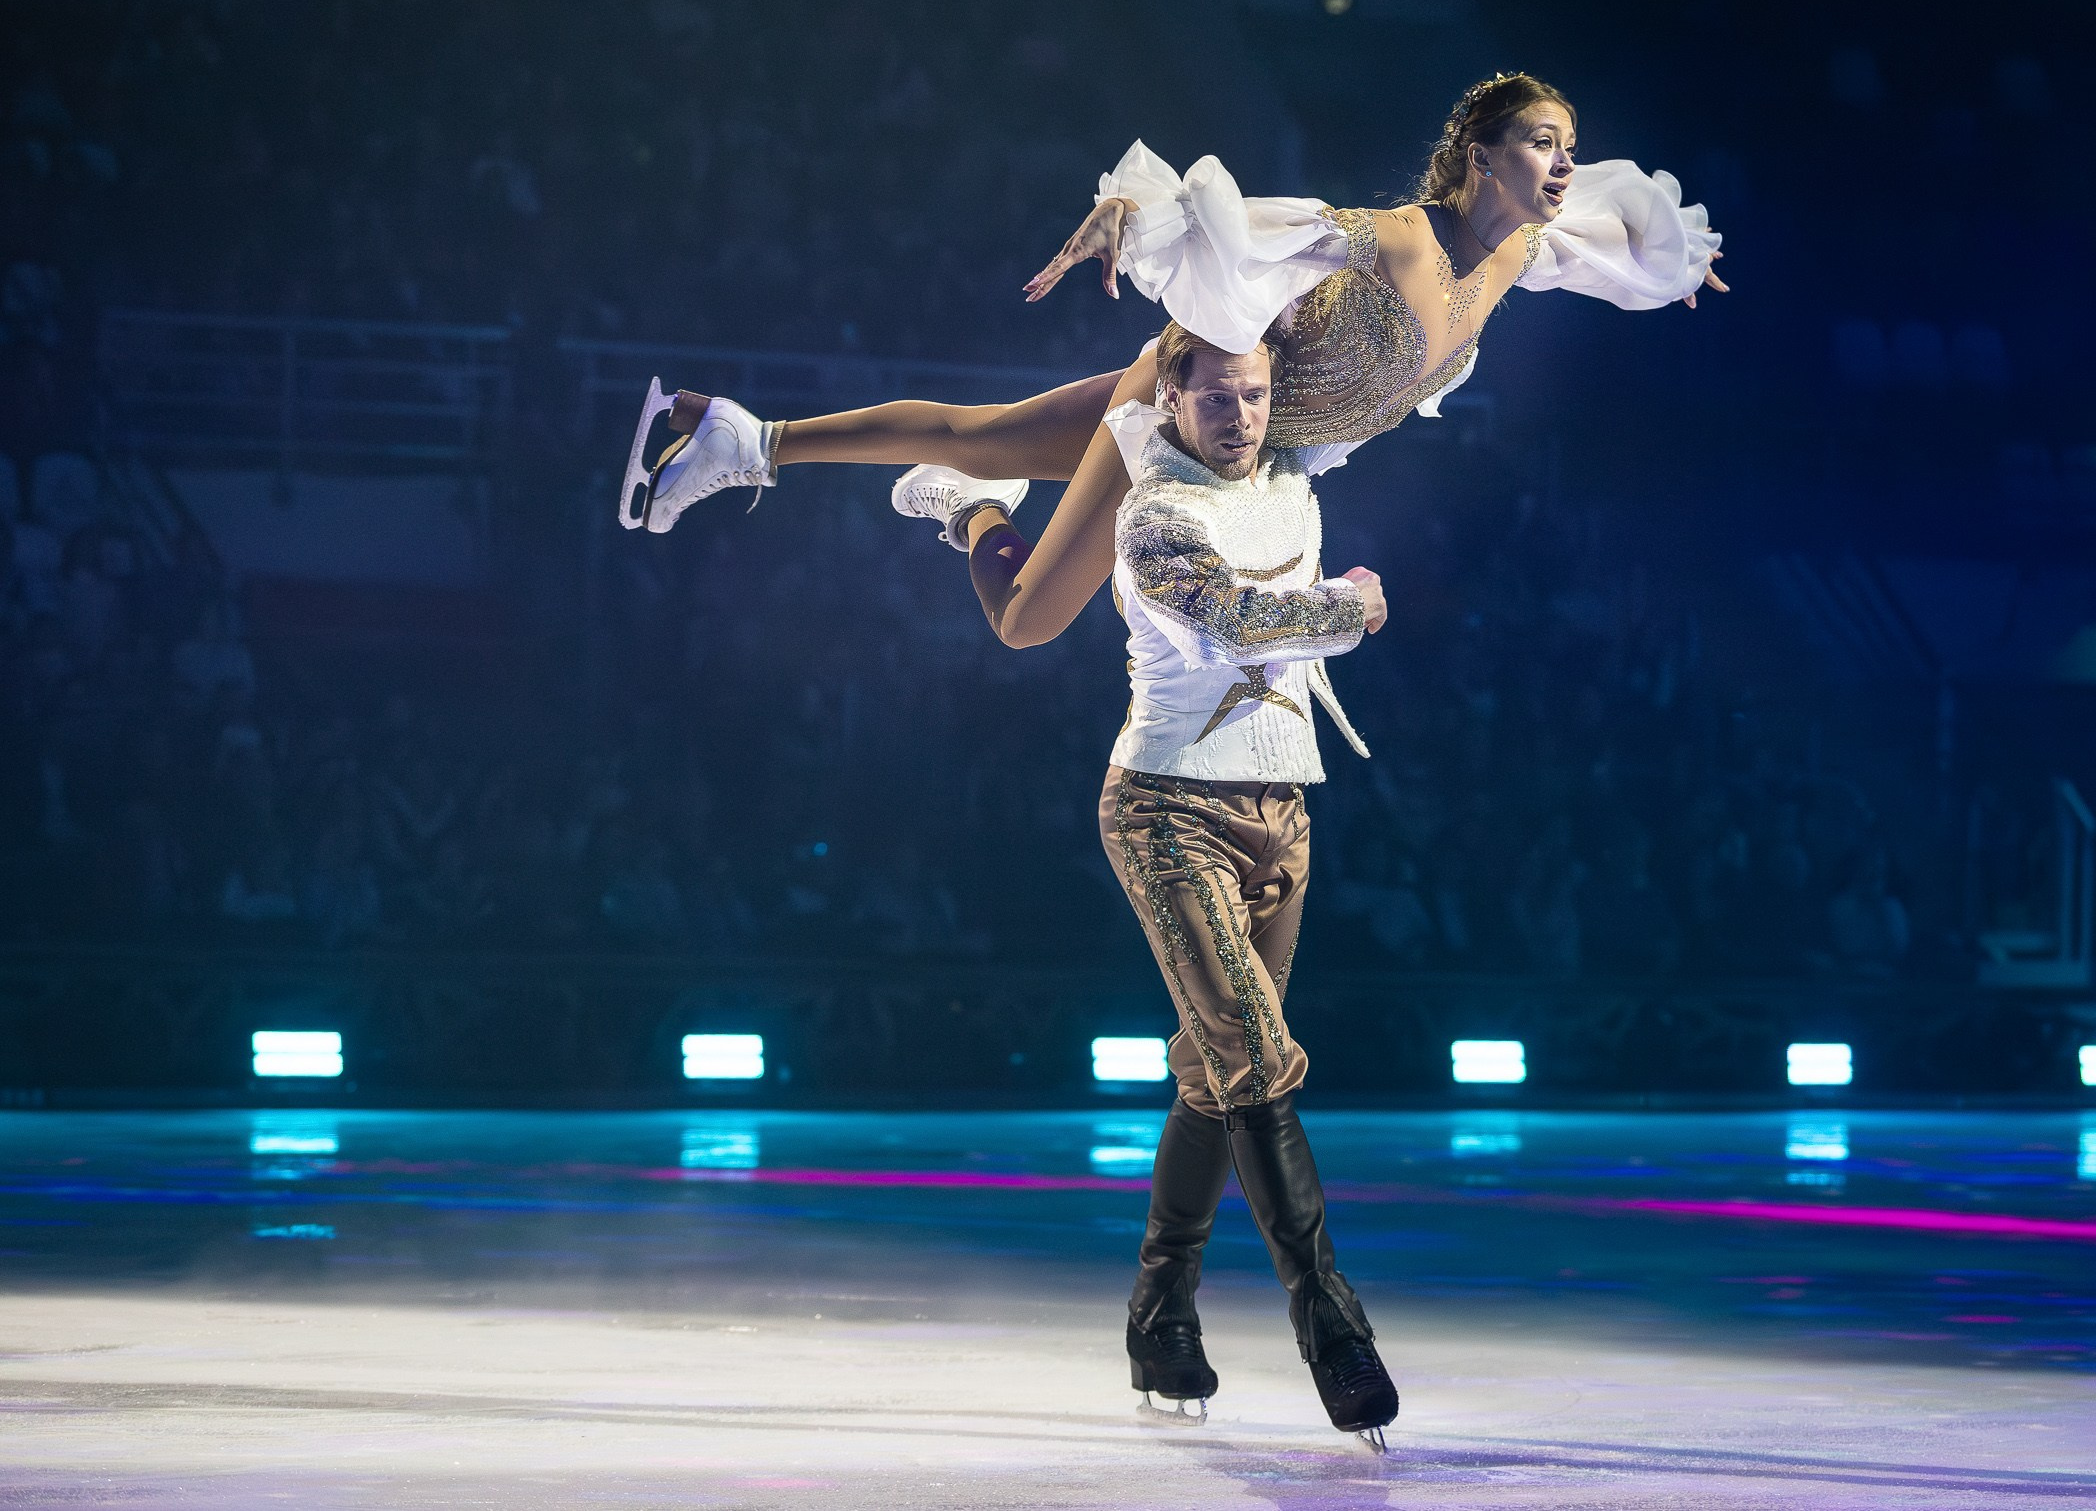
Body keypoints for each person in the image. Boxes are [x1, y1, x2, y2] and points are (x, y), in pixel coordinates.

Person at [625, 73, 1723, 651]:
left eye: (1570, 144)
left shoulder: (1525, 251)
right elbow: (1247, 222)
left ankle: (749, 437)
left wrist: (1675, 266)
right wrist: (1135, 214)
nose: (1564, 161)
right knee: (1027, 621)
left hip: (1254, 458)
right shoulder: (1393, 237)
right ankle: (949, 507)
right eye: (1541, 141)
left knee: (988, 432)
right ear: (1479, 155)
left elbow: (1610, 250)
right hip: (1188, 406)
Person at [1001, 322, 1398, 1446]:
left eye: (1257, 394)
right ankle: (1332, 1325)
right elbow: (1238, 621)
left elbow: (1420, 362)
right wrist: (1358, 607)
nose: (1241, 415)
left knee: (1213, 1073)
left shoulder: (1290, 468)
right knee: (1256, 1060)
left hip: (1284, 810)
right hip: (1169, 809)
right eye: (1217, 396)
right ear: (1169, 399)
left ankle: (1159, 1313)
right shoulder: (1154, 513)